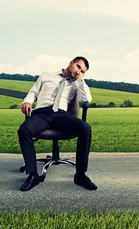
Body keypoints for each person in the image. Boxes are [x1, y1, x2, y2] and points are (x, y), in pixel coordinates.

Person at [17, 56, 97, 192]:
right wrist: (27, 102)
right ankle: (33, 175)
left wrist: (80, 79)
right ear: (71, 63)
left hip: (61, 115)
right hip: (42, 113)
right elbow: (33, 92)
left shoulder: (77, 84)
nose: (79, 72)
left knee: (85, 128)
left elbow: (86, 99)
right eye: (78, 67)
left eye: (82, 71)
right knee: (24, 130)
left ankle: (80, 175)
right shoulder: (47, 75)